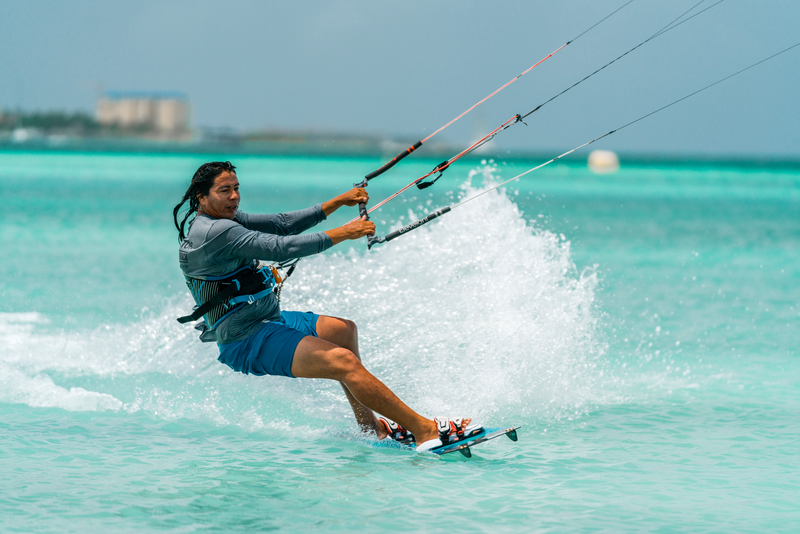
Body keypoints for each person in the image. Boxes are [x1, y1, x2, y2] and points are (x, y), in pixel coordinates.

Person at [173, 161, 480, 452]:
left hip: (266, 318)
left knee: (343, 331)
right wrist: (343, 233)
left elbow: (282, 225)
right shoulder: (215, 231)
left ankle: (370, 428)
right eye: (224, 190)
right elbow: (280, 247)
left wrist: (337, 202)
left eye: (236, 188)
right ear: (202, 196)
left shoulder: (227, 220)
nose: (234, 196)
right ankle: (425, 431)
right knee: (343, 362)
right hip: (245, 338)